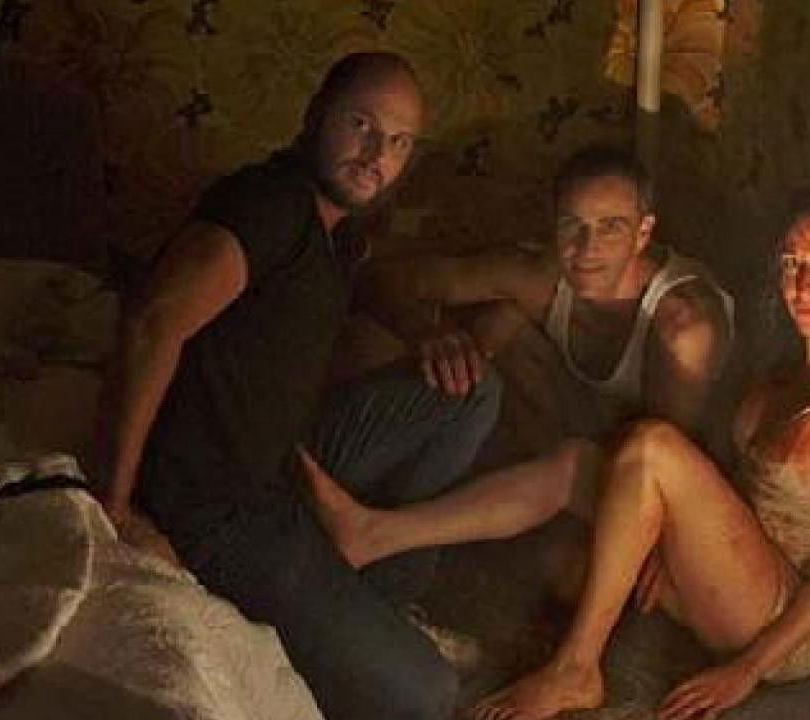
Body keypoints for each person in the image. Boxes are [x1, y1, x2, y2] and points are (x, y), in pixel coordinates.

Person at [93, 52, 502, 720]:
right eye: (361, 125)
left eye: (399, 142)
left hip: (286, 459)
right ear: (316, 116)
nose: (377, 155)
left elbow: (364, 286)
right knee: (428, 693)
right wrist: (115, 504)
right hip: (218, 509)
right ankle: (361, 630)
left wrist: (421, 331)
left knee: (470, 393)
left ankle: (375, 601)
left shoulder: (337, 228)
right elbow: (152, 322)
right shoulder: (269, 204)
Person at [447, 189, 810, 719]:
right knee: (572, 493)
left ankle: (575, 670)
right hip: (733, 571)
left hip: (784, 619)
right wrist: (673, 542)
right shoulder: (782, 373)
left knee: (653, 447)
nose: (804, 285)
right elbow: (733, 490)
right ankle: (385, 532)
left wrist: (747, 669)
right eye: (791, 264)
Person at [312, 145, 734, 563]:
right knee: (490, 326)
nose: (587, 247)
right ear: (553, 223)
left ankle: (384, 532)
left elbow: (667, 476)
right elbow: (383, 280)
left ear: (643, 233)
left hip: (675, 477)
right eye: (572, 225)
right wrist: (427, 332)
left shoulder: (684, 328)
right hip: (580, 427)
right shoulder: (541, 275)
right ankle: (374, 496)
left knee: (564, 550)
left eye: (610, 227)